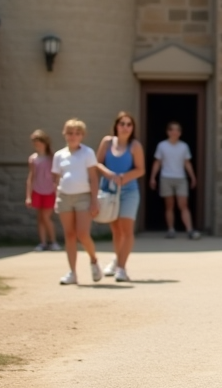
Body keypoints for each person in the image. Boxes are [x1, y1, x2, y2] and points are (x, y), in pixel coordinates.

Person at [96, 112, 146, 282]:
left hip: (129, 191)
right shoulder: (107, 142)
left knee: (126, 229)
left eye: (129, 124)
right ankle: (117, 259)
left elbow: (140, 169)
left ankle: (122, 269)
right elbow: (97, 163)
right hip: (109, 191)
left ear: (133, 128)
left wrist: (124, 177)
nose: (125, 127)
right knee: (116, 230)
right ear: (116, 126)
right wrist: (110, 174)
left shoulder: (135, 146)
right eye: (122, 124)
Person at [52, 119, 101, 286]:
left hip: (83, 197)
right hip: (64, 197)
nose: (73, 136)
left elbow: (94, 179)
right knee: (69, 235)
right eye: (70, 133)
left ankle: (93, 260)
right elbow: (56, 179)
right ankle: (72, 272)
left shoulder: (88, 153)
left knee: (82, 233)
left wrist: (95, 201)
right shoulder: (59, 155)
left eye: (77, 133)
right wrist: (56, 197)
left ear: (82, 135)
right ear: (64, 134)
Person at [151, 122, 199, 239]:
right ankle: (171, 229)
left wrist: (192, 176)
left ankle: (190, 230)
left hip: (181, 178)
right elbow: (158, 162)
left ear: (180, 133)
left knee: (183, 205)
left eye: (177, 130)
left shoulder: (184, 146)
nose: (175, 132)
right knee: (169, 205)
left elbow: (187, 163)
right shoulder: (162, 145)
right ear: (168, 132)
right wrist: (153, 177)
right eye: (172, 130)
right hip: (166, 178)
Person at [25, 130, 59, 252]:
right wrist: (28, 195)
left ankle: (53, 242)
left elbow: (57, 176)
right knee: (40, 217)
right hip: (37, 190)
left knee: (46, 217)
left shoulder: (52, 157)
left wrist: (58, 190)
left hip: (50, 191)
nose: (35, 143)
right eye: (34, 141)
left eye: (37, 140)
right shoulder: (33, 159)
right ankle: (43, 243)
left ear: (44, 142)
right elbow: (31, 177)